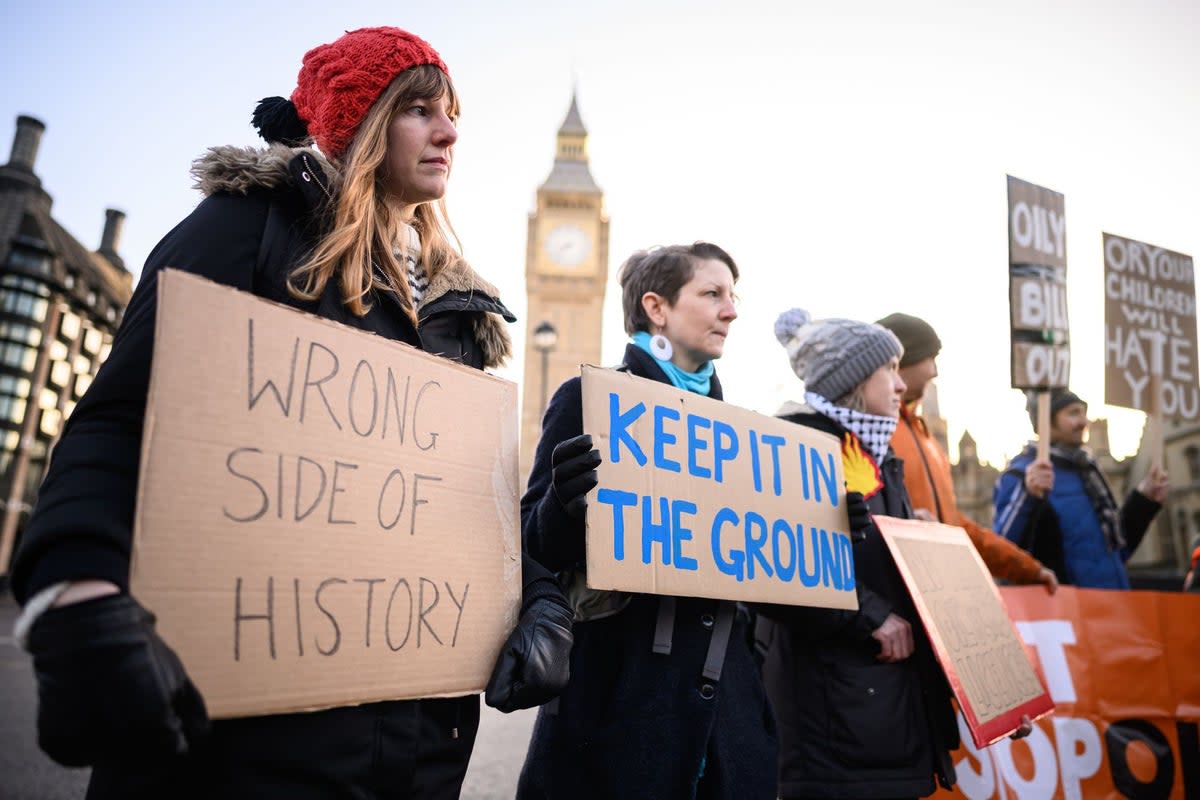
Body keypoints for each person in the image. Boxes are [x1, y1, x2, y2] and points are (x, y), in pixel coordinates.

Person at [9, 26, 572, 798]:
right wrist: (78, 593)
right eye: (419, 110)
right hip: (241, 751)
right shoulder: (248, 229)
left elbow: (475, 508)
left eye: (452, 114)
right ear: (362, 123)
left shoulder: (461, 313)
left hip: (412, 759)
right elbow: (117, 421)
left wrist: (540, 601)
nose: (448, 131)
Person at [517, 243, 778, 799]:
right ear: (656, 308)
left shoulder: (749, 441)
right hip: (621, 713)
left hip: (726, 728)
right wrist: (562, 504)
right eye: (712, 294)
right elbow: (532, 548)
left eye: (733, 296)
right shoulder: (585, 399)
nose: (731, 311)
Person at [758, 308, 959, 800]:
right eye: (887, 369)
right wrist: (871, 616)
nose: (899, 384)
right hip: (838, 714)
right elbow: (779, 569)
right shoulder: (799, 447)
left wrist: (919, 541)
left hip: (880, 705)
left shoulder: (878, 451)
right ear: (851, 380)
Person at [876, 312, 1059, 593]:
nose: (935, 371)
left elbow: (953, 526)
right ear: (903, 359)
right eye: (930, 358)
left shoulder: (929, 443)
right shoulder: (873, 434)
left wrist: (1027, 568)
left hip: (941, 594)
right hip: (900, 596)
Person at [993, 389, 1169, 590]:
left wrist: (1144, 501)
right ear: (1046, 420)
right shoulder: (1021, 475)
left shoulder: (1090, 470)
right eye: (1073, 413)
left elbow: (1117, 550)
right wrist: (1027, 494)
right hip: (1064, 610)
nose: (1083, 422)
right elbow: (1004, 551)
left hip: (1115, 602)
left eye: (1083, 413)